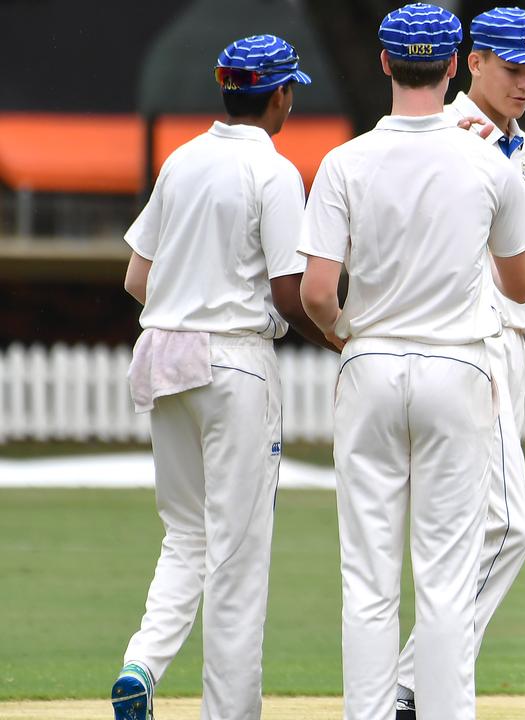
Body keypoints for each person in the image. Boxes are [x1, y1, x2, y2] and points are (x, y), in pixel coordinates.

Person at [296, 5, 525, 718]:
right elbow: (519, 285)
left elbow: (315, 291)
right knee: (446, 576)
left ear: (383, 63)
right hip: (456, 366)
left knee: (368, 575)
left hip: (370, 364)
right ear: (457, 62)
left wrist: (346, 334)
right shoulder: (489, 161)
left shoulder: (345, 160)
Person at [391, 7, 525, 717]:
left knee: (474, 531)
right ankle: (415, 685)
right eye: (512, 68)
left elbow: (518, 268)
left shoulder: (523, 147)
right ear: (472, 61)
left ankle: (418, 687)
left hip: (499, 342)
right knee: (507, 527)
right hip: (461, 348)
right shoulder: (447, 135)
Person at [111, 34, 327, 720]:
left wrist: (189, 306)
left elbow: (136, 277)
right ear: (282, 94)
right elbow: (292, 293)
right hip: (235, 361)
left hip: (163, 351)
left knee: (186, 533)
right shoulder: (276, 172)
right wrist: (343, 340)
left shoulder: (181, 161)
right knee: (236, 555)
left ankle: (141, 663)